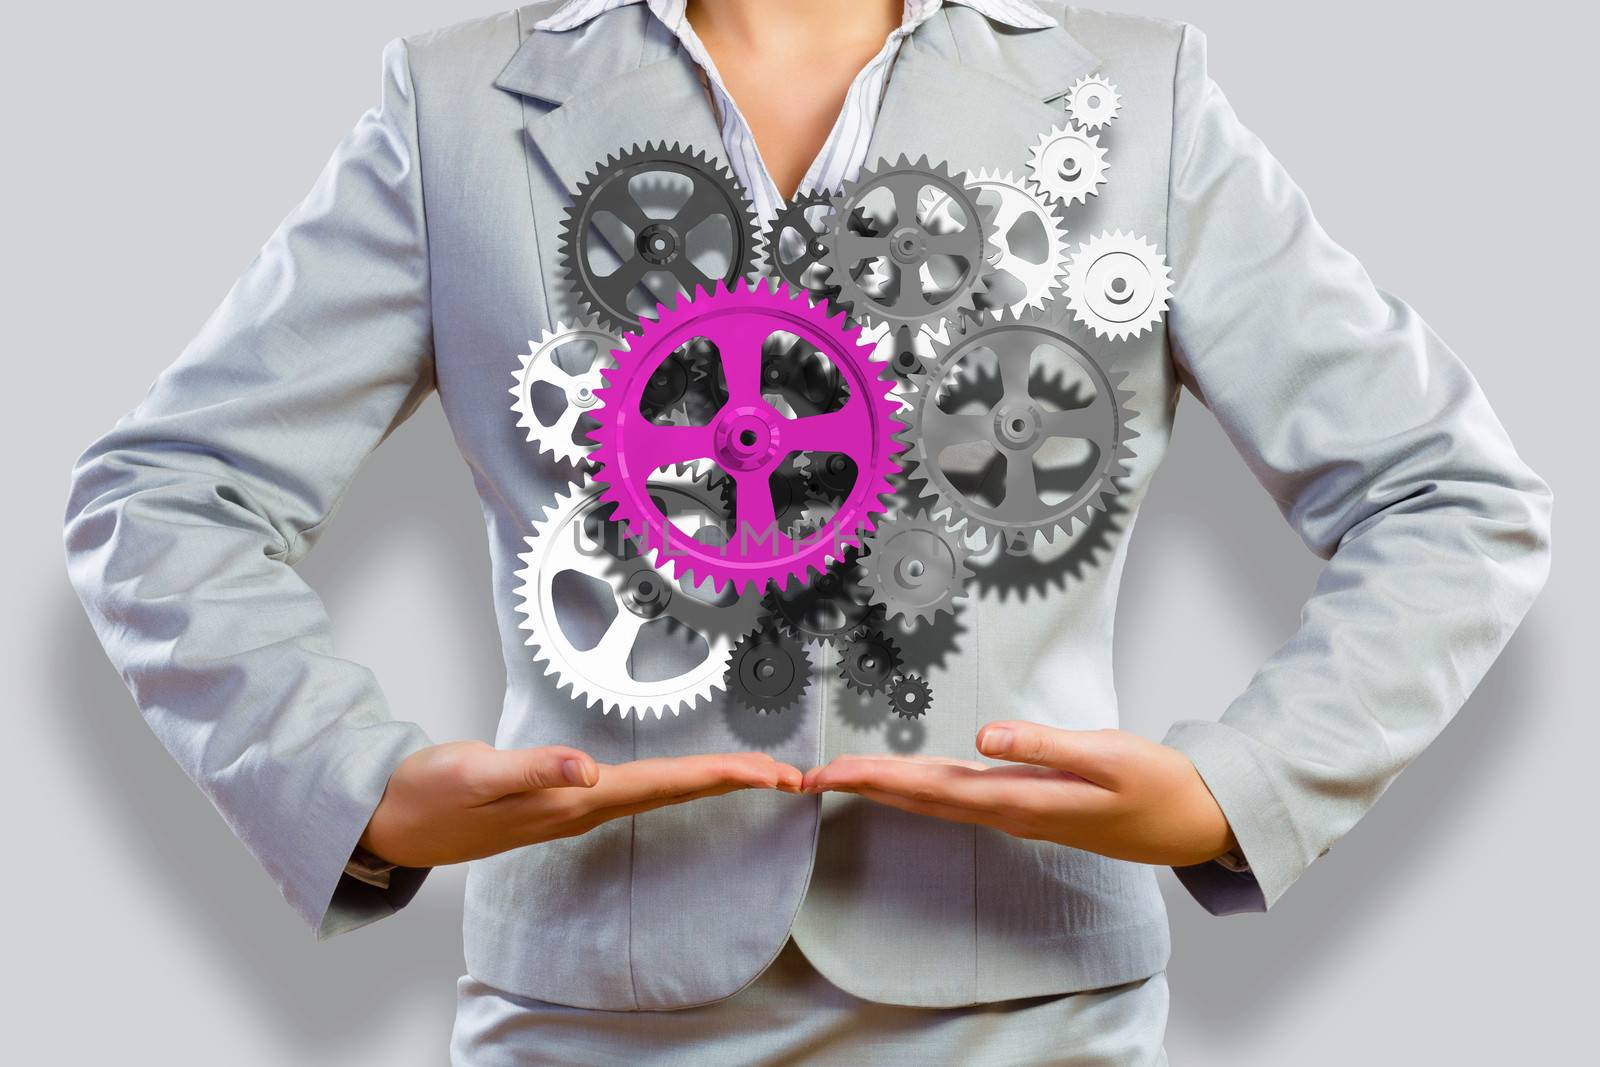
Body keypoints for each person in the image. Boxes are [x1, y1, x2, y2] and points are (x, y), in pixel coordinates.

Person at [62, 1, 1552, 1063]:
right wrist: (357, 789)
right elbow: (166, 498)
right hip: (593, 1013)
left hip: (1029, 1012)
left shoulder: (1139, 96)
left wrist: (1236, 789)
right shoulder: (454, 101)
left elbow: (1451, 501)